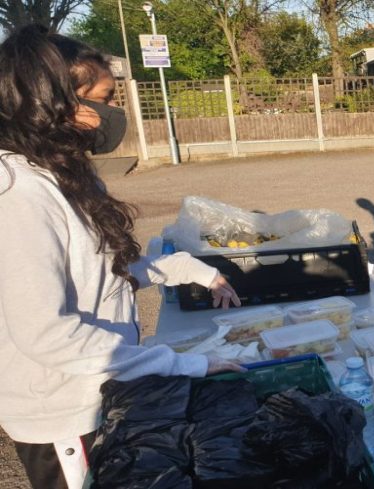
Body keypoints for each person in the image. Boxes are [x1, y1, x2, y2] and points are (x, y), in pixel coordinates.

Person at [0, 25, 246, 489]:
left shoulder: (66, 174)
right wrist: (175, 363)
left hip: (98, 389)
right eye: (105, 99)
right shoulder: (19, 192)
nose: (114, 113)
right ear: (55, 102)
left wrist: (190, 269)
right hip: (63, 411)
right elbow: (47, 335)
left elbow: (102, 274)